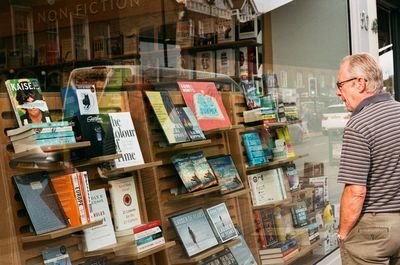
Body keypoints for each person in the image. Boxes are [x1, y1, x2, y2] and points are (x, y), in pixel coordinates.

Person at [336, 53, 400, 264]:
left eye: (340, 84)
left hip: (374, 228)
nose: (338, 92)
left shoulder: (359, 125)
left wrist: (343, 233)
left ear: (360, 83)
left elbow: (355, 191)